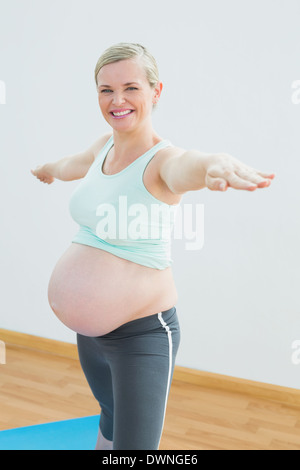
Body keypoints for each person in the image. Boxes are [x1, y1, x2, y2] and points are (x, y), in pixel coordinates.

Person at [31, 42, 275, 450]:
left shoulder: (163, 161)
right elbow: (75, 164)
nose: (118, 100)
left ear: (155, 91)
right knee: (108, 418)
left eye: (131, 87)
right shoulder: (103, 148)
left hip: (142, 335)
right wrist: (49, 170)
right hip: (90, 336)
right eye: (106, 90)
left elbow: (188, 165)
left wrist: (213, 163)